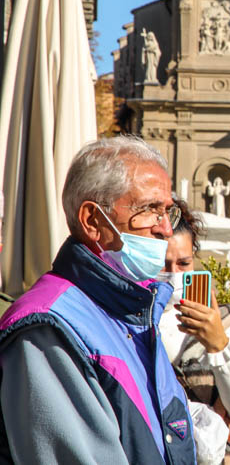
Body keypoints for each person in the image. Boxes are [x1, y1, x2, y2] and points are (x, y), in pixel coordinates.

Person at [0, 136, 195, 464]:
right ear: (92, 221)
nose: (165, 229)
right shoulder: (48, 328)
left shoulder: (137, 308)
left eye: (167, 212)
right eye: (148, 210)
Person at [157, 200, 230, 464]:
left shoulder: (221, 321)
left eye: (183, 263)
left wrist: (219, 344)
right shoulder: (129, 321)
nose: (173, 273)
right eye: (163, 264)